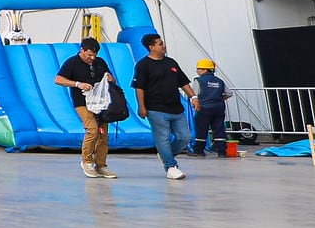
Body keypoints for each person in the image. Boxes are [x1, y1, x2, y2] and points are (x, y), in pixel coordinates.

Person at [132, 34, 197, 180]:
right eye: (160, 44)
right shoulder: (143, 65)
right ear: (152, 47)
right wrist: (141, 107)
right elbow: (139, 88)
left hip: (176, 108)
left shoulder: (171, 63)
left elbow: (183, 82)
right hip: (155, 109)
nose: (164, 46)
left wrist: (193, 96)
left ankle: (165, 154)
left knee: (184, 137)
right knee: (163, 138)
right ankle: (170, 166)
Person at [54, 38, 119, 179]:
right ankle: (87, 161)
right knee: (92, 129)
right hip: (82, 102)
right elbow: (58, 79)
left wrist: (109, 78)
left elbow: (111, 78)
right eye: (89, 55)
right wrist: (77, 84)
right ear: (82, 50)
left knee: (103, 135)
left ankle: (101, 165)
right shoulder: (72, 62)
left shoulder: (100, 62)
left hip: (101, 103)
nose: (92, 58)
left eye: (94, 55)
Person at [191, 59, 229, 156]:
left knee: (201, 129)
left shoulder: (198, 80)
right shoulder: (220, 81)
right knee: (219, 128)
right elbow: (229, 93)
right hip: (219, 107)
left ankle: (199, 150)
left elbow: (194, 94)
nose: (197, 71)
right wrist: (218, 98)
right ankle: (222, 152)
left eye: (198, 69)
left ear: (205, 69)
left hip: (204, 108)